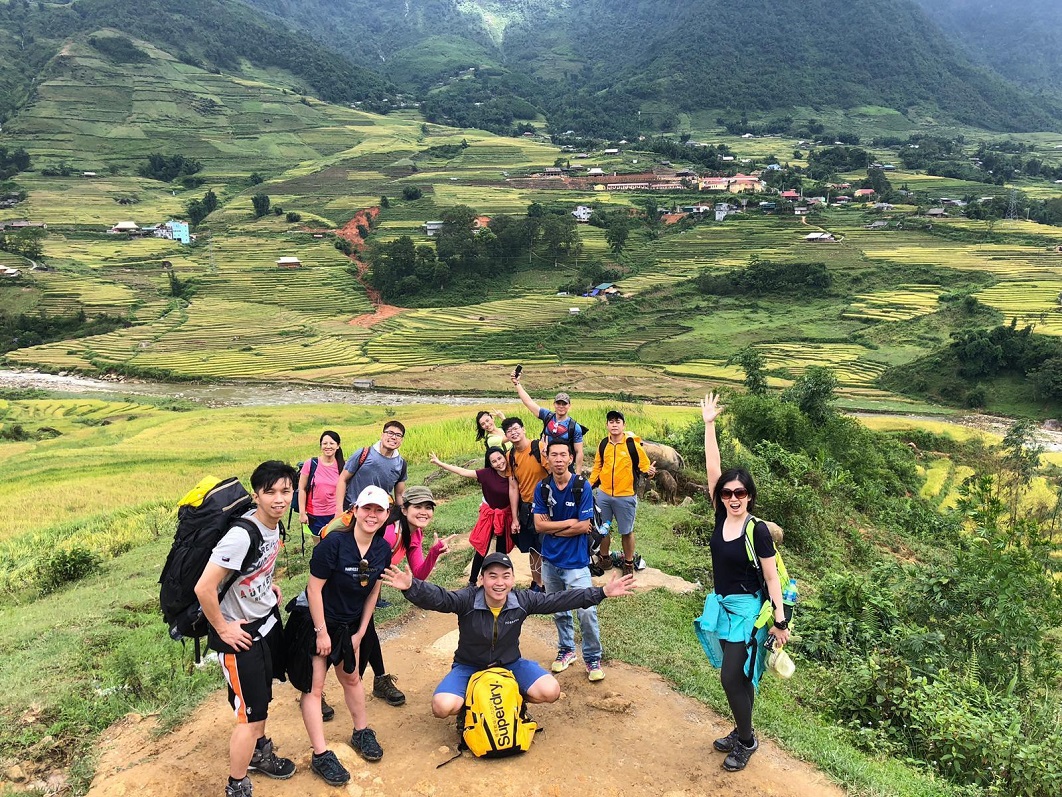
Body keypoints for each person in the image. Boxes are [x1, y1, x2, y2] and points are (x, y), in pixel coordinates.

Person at [380, 552, 636, 720]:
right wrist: (412, 587)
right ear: (482, 579)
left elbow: (559, 600)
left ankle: (513, 701)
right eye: (492, 576)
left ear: (513, 579)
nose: (499, 582)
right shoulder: (467, 599)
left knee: (550, 691)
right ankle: (471, 709)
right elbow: (441, 598)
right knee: (443, 707)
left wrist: (601, 592)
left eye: (505, 576)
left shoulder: (522, 601)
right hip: (469, 666)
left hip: (509, 664)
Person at [193, 461, 298, 797]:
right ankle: (237, 784)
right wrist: (223, 629)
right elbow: (204, 588)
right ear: (257, 496)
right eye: (271, 492)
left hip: (265, 623)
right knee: (250, 717)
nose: (279, 499)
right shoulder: (241, 535)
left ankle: (257, 753)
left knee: (260, 700)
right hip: (241, 637)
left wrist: (267, 586)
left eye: (286, 491)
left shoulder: (274, 526)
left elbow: (256, 567)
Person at [699, 391, 790, 772]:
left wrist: (780, 621)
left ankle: (748, 740)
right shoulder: (722, 517)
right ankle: (740, 729)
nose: (733, 497)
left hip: (748, 611)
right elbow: (713, 468)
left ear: (749, 497)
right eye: (727, 493)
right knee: (738, 677)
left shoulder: (758, 530)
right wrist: (709, 425)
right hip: (723, 605)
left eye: (739, 493)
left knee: (730, 676)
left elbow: (771, 576)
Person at [286, 485, 393, 787]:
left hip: (350, 624)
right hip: (318, 621)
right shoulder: (333, 544)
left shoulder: (382, 549)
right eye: (367, 508)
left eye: (379, 510)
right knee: (315, 687)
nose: (372, 515)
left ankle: (361, 732)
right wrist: (321, 633)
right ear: (355, 510)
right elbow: (314, 589)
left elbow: (373, 591)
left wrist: (361, 632)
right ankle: (320, 754)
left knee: (352, 678)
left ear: (386, 515)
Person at [359, 485, 460, 707]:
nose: (424, 512)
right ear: (404, 509)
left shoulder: (414, 533)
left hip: (368, 585)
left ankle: (378, 680)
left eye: (428, 507)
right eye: (418, 507)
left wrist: (434, 552)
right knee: (352, 632)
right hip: (354, 583)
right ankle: (315, 688)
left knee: (367, 630)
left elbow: (419, 574)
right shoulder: (390, 532)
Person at [534, 440, 605, 682]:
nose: (558, 459)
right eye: (553, 455)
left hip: (576, 562)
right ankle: (567, 650)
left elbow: (584, 526)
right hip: (550, 561)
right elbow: (538, 526)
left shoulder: (581, 486)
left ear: (571, 458)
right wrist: (568, 524)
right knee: (558, 610)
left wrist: (553, 529)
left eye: (563, 454)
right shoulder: (543, 487)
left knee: (587, 612)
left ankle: (592, 657)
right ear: (547, 458)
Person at [429, 447, 519, 586]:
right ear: (490, 464)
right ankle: (472, 582)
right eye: (494, 461)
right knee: (481, 548)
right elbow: (462, 471)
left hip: (505, 516)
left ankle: (500, 581)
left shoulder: (513, 473)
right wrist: (439, 463)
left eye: (500, 458)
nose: (498, 463)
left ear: (505, 456)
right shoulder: (487, 474)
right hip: (489, 516)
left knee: (501, 551)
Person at [589, 410, 656, 577]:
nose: (614, 424)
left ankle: (628, 562)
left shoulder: (632, 445)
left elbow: (645, 467)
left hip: (625, 496)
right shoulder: (603, 444)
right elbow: (598, 467)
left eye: (617, 421)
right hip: (604, 494)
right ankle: (604, 558)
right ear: (607, 425)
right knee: (602, 529)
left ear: (623, 425)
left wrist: (650, 472)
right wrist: (588, 485)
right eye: (611, 421)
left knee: (626, 531)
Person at [502, 416, 548, 591]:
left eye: (516, 428)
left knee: (549, 546)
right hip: (527, 507)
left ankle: (552, 584)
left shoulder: (539, 447)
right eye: (509, 431)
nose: (513, 433)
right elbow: (513, 487)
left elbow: (555, 473)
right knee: (533, 548)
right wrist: (515, 518)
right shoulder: (510, 456)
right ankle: (537, 583)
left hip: (547, 506)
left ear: (523, 429)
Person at [510, 370, 584, 472]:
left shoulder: (574, 427)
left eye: (564, 404)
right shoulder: (547, 416)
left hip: (564, 465)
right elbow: (529, 402)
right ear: (554, 404)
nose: (561, 406)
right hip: (546, 462)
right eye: (558, 403)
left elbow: (579, 452)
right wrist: (517, 384)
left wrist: (578, 474)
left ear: (569, 406)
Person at [335, 421, 407, 515]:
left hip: (379, 513)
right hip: (352, 510)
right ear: (382, 435)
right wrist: (339, 510)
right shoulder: (364, 453)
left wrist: (402, 515)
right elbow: (343, 478)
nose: (393, 437)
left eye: (398, 435)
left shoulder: (401, 464)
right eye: (390, 433)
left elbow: (399, 494)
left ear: (401, 440)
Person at [297, 430, 345, 541]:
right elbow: (302, 489)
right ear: (320, 446)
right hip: (315, 515)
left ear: (338, 446)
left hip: (335, 514)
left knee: (334, 544)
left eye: (332, 443)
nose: (328, 446)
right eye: (325, 443)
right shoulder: (310, 464)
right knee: (319, 545)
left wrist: (340, 512)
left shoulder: (343, 466)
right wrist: (302, 513)